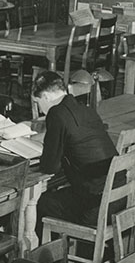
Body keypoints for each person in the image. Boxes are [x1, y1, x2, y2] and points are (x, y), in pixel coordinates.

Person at [33, 70, 117, 231]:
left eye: (38, 103)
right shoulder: (87, 110)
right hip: (118, 195)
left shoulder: (56, 113)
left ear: (46, 97)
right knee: (62, 194)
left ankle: (47, 253)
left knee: (40, 202)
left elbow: (50, 167)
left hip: (96, 207)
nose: (41, 109)